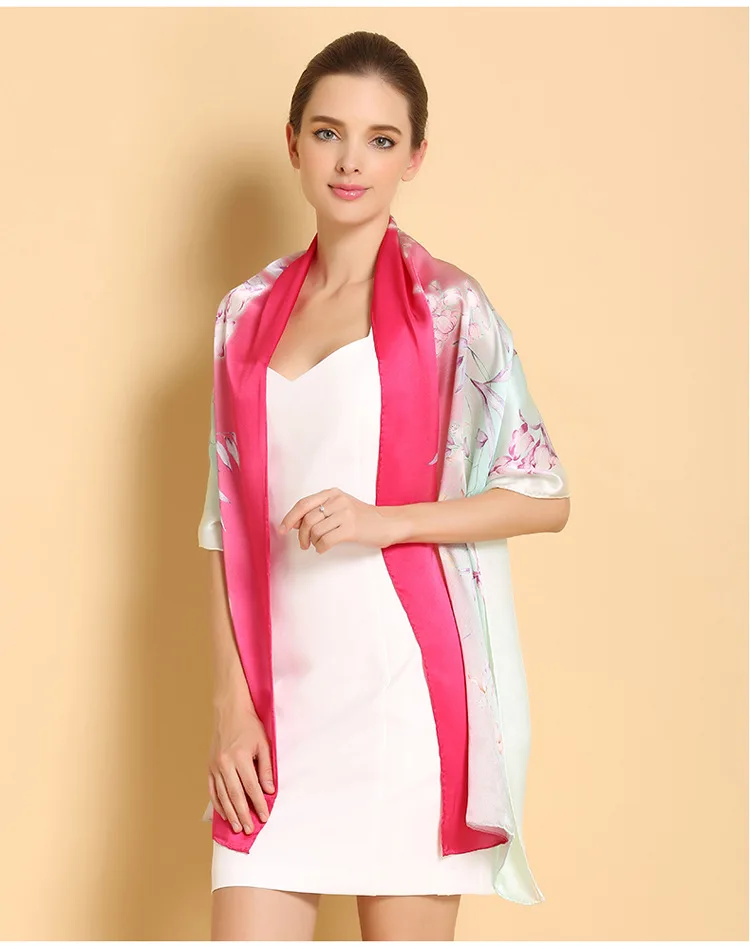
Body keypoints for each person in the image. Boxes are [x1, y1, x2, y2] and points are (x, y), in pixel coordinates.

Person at [197, 30, 570, 942]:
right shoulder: (243, 315)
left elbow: (543, 495)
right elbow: (221, 523)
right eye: (328, 133)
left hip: (402, 702)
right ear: (294, 142)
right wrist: (232, 705)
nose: (351, 161)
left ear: (415, 157)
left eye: (381, 139)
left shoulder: (450, 309)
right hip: (278, 707)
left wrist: (383, 520)